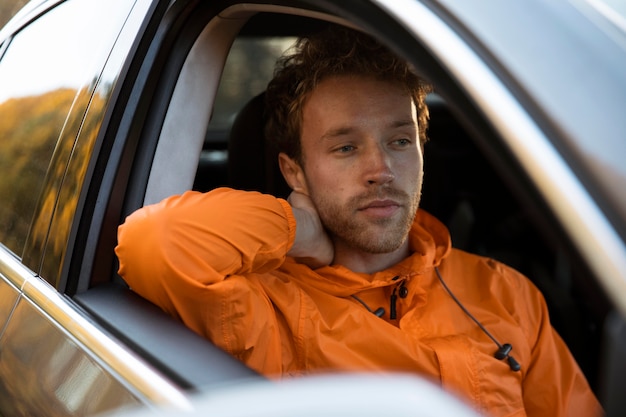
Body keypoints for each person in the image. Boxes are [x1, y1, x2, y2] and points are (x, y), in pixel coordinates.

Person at [115, 26, 602, 417]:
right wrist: (297, 229)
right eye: (346, 147)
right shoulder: (261, 303)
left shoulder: (505, 293)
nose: (382, 171)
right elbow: (152, 240)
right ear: (293, 171)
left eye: (399, 141)